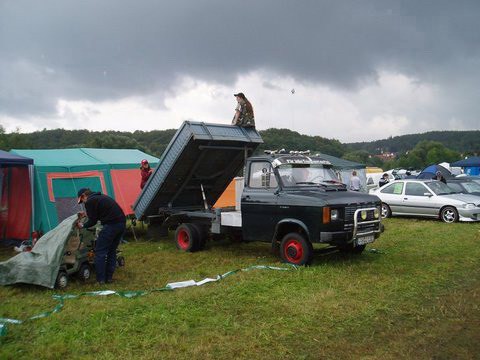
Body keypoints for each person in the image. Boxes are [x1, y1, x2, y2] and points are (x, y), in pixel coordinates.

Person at [77, 188, 126, 284]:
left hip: (111, 225)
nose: (83, 203)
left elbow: (93, 221)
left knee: (100, 252)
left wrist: (82, 225)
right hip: (121, 224)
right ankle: (109, 278)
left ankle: (100, 280)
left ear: (83, 196)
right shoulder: (100, 197)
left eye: (82, 201)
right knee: (111, 251)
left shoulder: (90, 201)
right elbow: (99, 214)